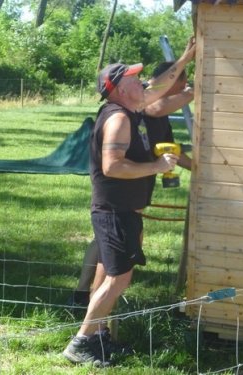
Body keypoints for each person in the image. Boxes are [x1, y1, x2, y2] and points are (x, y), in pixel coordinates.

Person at [62, 37, 196, 367]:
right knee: (119, 279)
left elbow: (161, 88)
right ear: (121, 89)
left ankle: (99, 336)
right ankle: (80, 342)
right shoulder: (119, 119)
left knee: (109, 275)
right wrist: (157, 166)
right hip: (115, 211)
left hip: (123, 210)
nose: (143, 82)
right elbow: (112, 166)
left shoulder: (131, 107)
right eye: (135, 79)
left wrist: (186, 56)